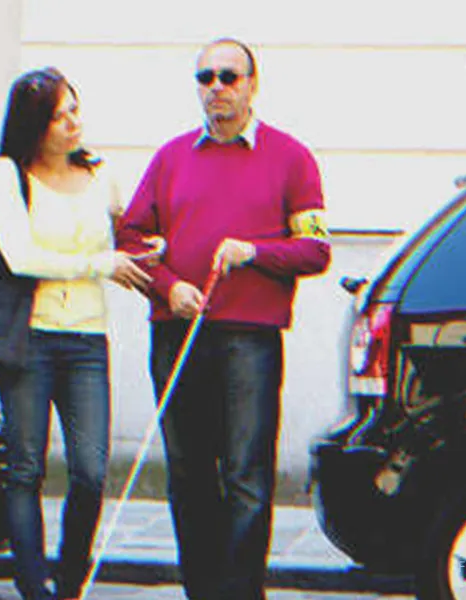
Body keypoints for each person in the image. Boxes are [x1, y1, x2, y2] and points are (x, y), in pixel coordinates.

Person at [115, 38, 331, 600]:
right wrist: (170, 286)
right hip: (177, 331)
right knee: (188, 473)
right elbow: (131, 236)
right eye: (206, 77)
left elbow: (315, 251)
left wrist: (254, 252)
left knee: (245, 476)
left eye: (229, 77)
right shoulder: (171, 157)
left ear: (252, 85)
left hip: (249, 340)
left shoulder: (291, 157)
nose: (217, 88)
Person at [0, 66, 153, 600]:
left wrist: (149, 254)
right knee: (26, 468)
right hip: (28, 338)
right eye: (60, 117)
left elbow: (128, 235)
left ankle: (70, 583)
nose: (73, 124)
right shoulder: (8, 174)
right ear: (34, 125)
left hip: (86, 340)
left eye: (75, 110)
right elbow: (21, 257)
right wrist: (100, 265)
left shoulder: (101, 174)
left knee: (89, 470)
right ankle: (34, 587)